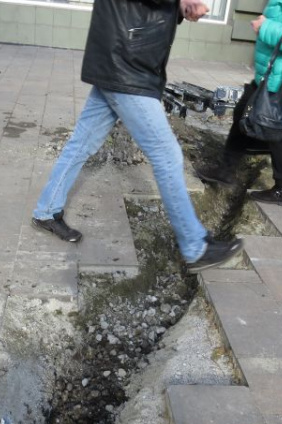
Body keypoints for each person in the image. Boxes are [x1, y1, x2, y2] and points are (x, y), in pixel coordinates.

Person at [31, 0, 243, 273]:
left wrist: (179, 9)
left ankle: (46, 211)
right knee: (167, 157)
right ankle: (195, 248)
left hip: (119, 57)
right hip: (128, 66)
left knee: (81, 143)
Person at [196, 0, 282, 206]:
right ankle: (226, 171)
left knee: (277, 129)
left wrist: (265, 26)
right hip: (274, 73)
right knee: (245, 113)